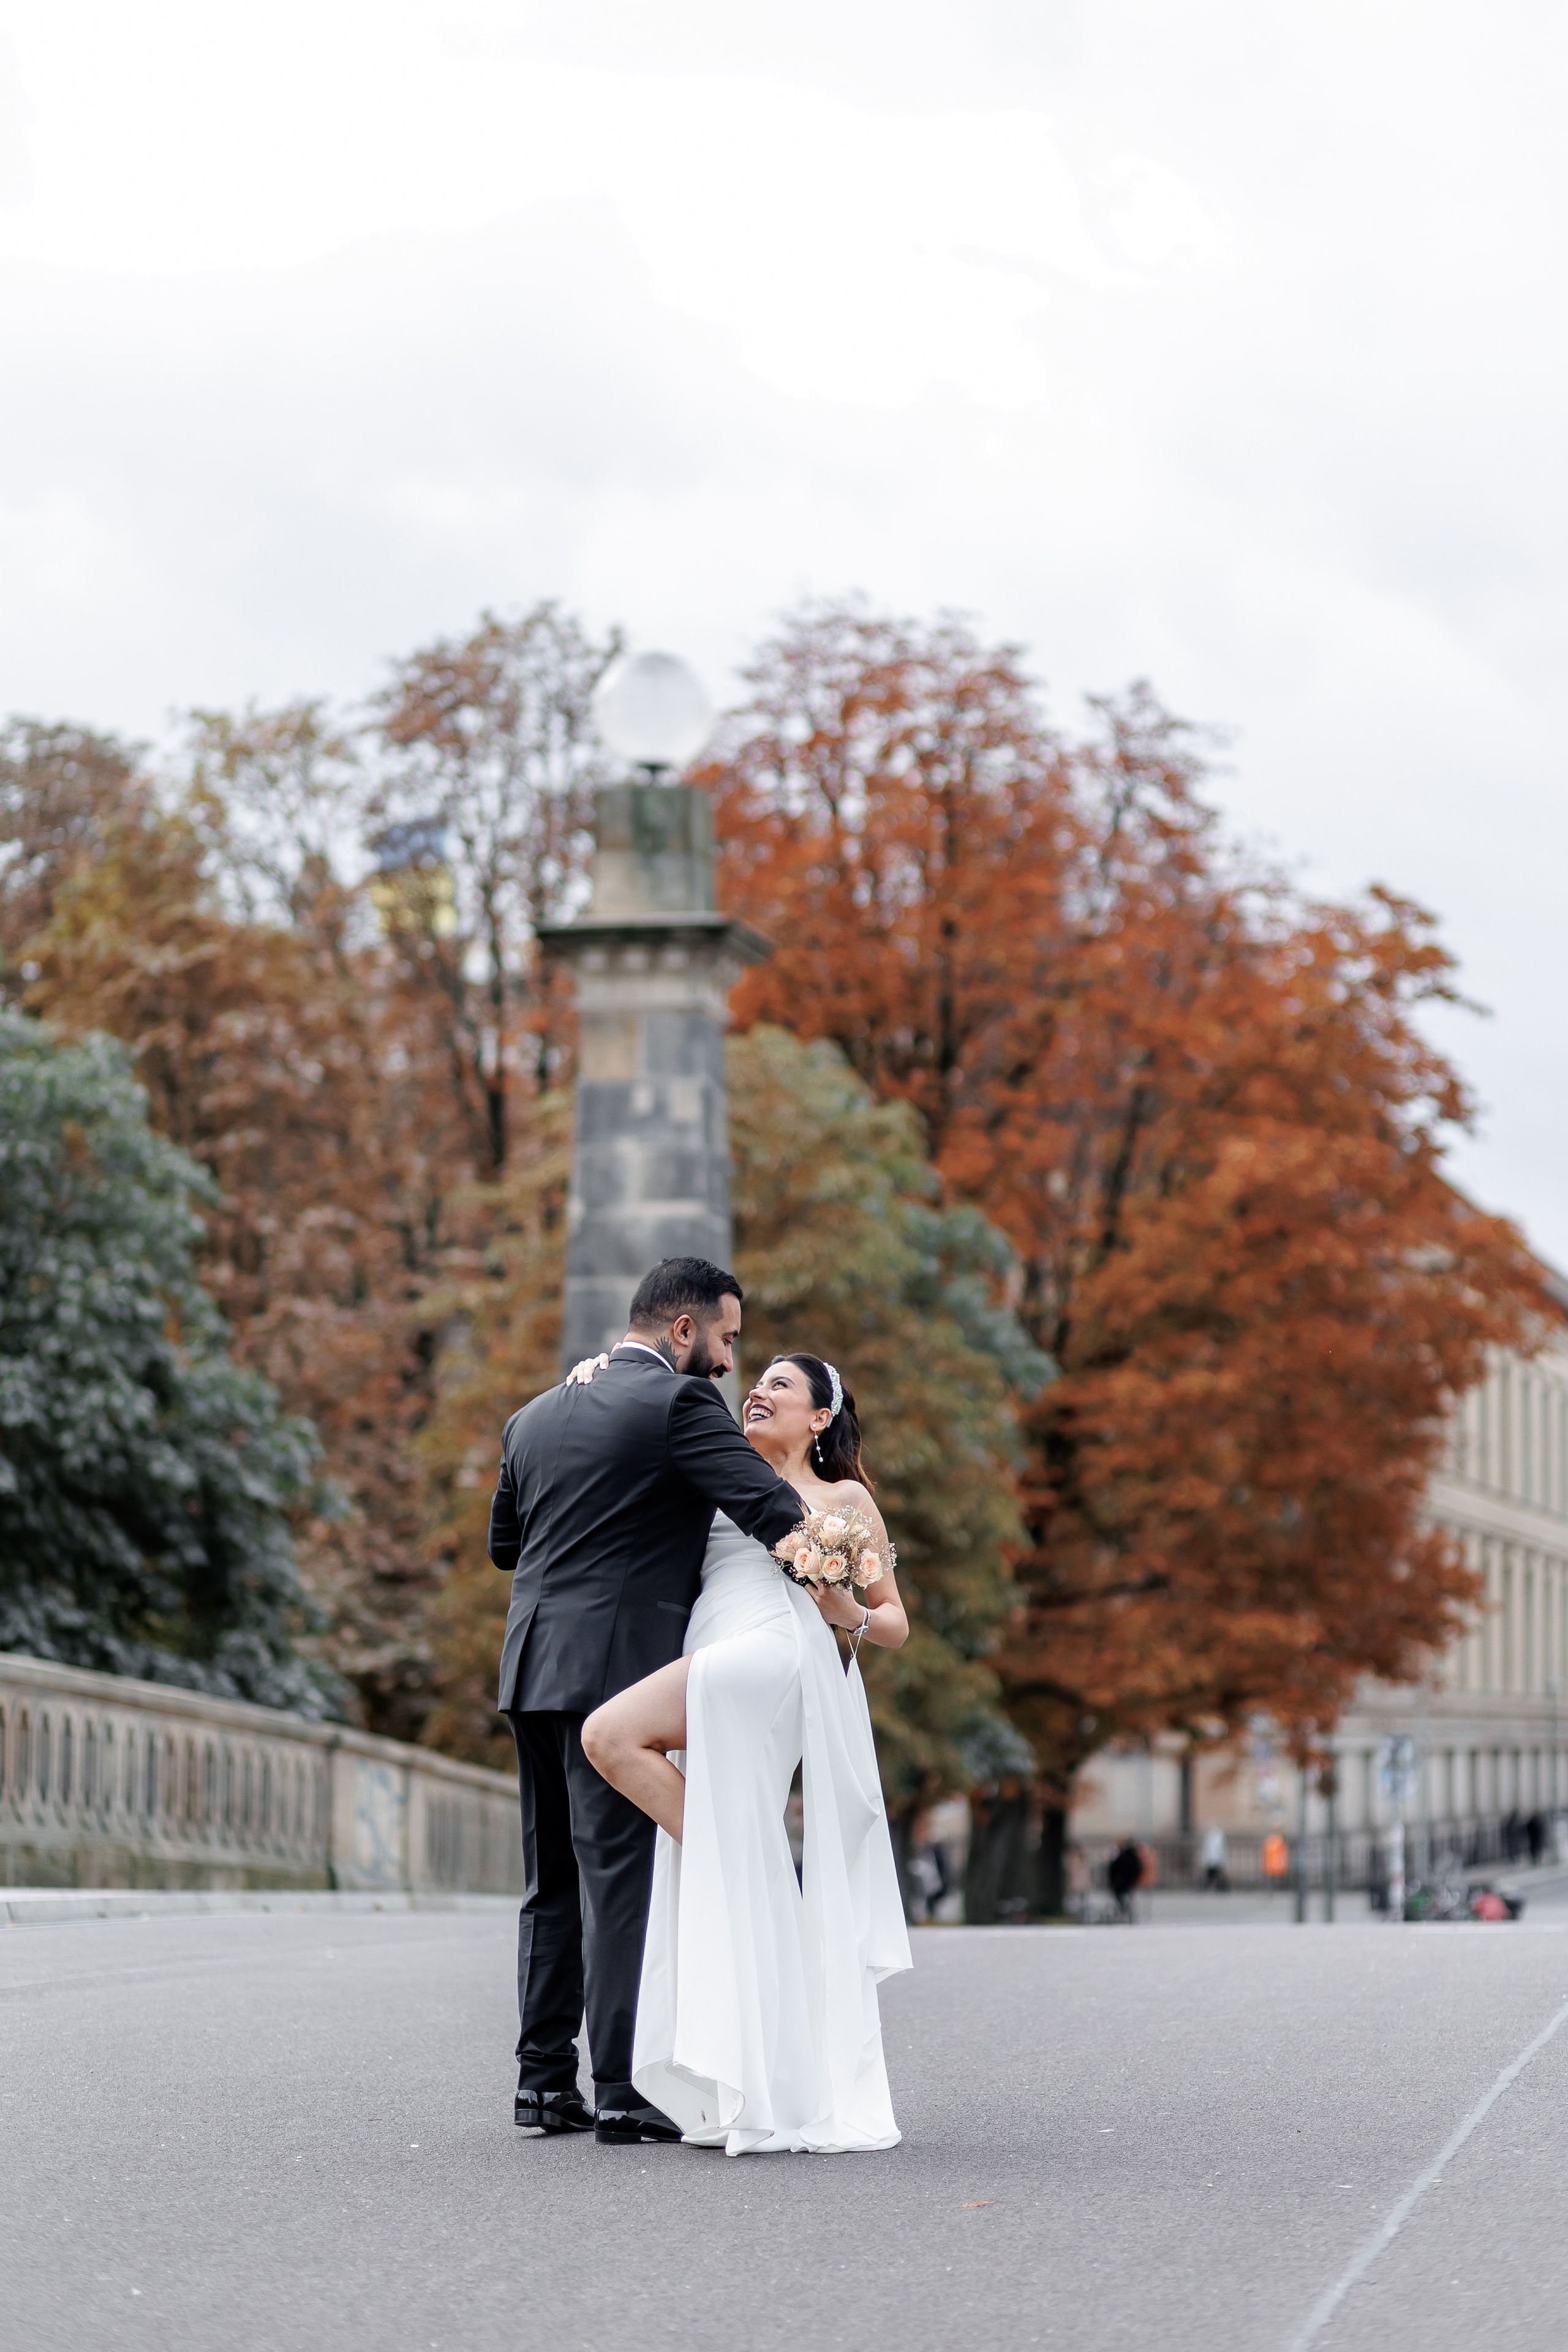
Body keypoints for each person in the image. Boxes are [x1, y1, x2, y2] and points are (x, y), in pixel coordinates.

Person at [488, 1257, 807, 2146]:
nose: (728, 1361)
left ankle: (543, 2084)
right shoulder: (680, 1406)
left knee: (550, 1883)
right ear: (682, 1329)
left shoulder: (533, 1414)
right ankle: (624, 2085)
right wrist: (845, 1586)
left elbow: (503, 1544)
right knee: (617, 1877)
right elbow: (764, 1506)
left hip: (531, 1663)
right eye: (727, 1338)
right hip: (618, 1670)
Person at [582, 1349, 913, 2154]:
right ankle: (759, 1932)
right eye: (755, 1381)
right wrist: (598, 1374)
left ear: (821, 1418)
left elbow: (894, 1620)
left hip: (776, 1652)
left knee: (610, 1734)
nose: (757, 1392)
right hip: (714, 1639)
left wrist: (843, 1608)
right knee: (644, 1759)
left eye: (780, 1386)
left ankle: (744, 1867)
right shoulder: (716, 1478)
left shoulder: (843, 1501)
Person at [1107, 1840, 1144, 1921]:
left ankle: (1124, 1913)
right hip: (1130, 1882)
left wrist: (1114, 1880)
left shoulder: (1121, 1857)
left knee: (1121, 1899)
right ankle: (1129, 1914)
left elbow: (1113, 1869)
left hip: (1121, 1883)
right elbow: (1139, 1869)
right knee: (1129, 1898)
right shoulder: (1134, 1858)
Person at [1199, 1823, 1229, 1892]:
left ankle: (1218, 1887)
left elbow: (1221, 1849)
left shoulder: (1219, 1836)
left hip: (1216, 1859)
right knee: (1211, 1874)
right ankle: (1211, 1886)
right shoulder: (1209, 1837)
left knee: (1216, 1874)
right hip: (1211, 1859)